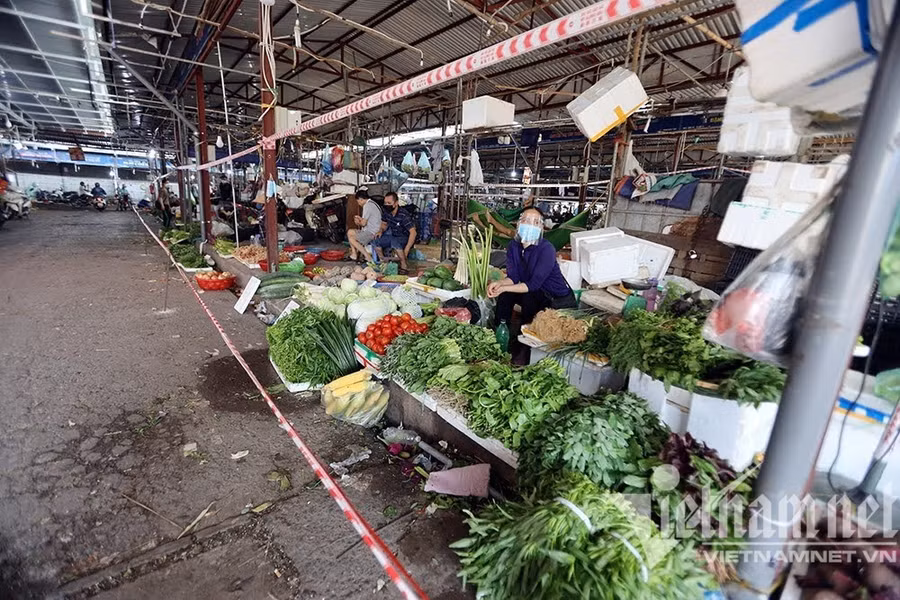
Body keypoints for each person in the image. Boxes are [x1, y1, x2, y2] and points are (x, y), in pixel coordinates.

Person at [488, 207, 576, 330]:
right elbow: (513, 277)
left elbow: (533, 285)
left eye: (536, 222)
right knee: (506, 295)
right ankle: (501, 331)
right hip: (535, 292)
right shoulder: (514, 246)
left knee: (528, 299)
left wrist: (502, 288)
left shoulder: (546, 249)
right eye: (526, 220)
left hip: (556, 299)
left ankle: (525, 341)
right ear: (518, 224)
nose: (530, 225)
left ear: (541, 228)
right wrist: (499, 284)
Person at [376, 192, 416, 273]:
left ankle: (404, 265)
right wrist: (380, 231)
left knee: (395, 241)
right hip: (393, 236)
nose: (387, 205)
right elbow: (384, 224)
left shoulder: (403, 215)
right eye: (385, 203)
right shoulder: (386, 212)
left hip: (404, 237)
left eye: (389, 203)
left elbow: (413, 232)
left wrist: (407, 249)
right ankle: (383, 262)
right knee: (376, 241)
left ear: (396, 203)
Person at [347, 188, 381, 262]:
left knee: (352, 239)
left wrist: (357, 221)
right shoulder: (373, 203)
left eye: (358, 201)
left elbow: (363, 223)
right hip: (374, 230)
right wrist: (360, 218)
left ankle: (367, 256)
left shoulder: (367, 206)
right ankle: (354, 254)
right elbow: (366, 220)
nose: (358, 203)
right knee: (350, 232)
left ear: (361, 199)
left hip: (372, 232)